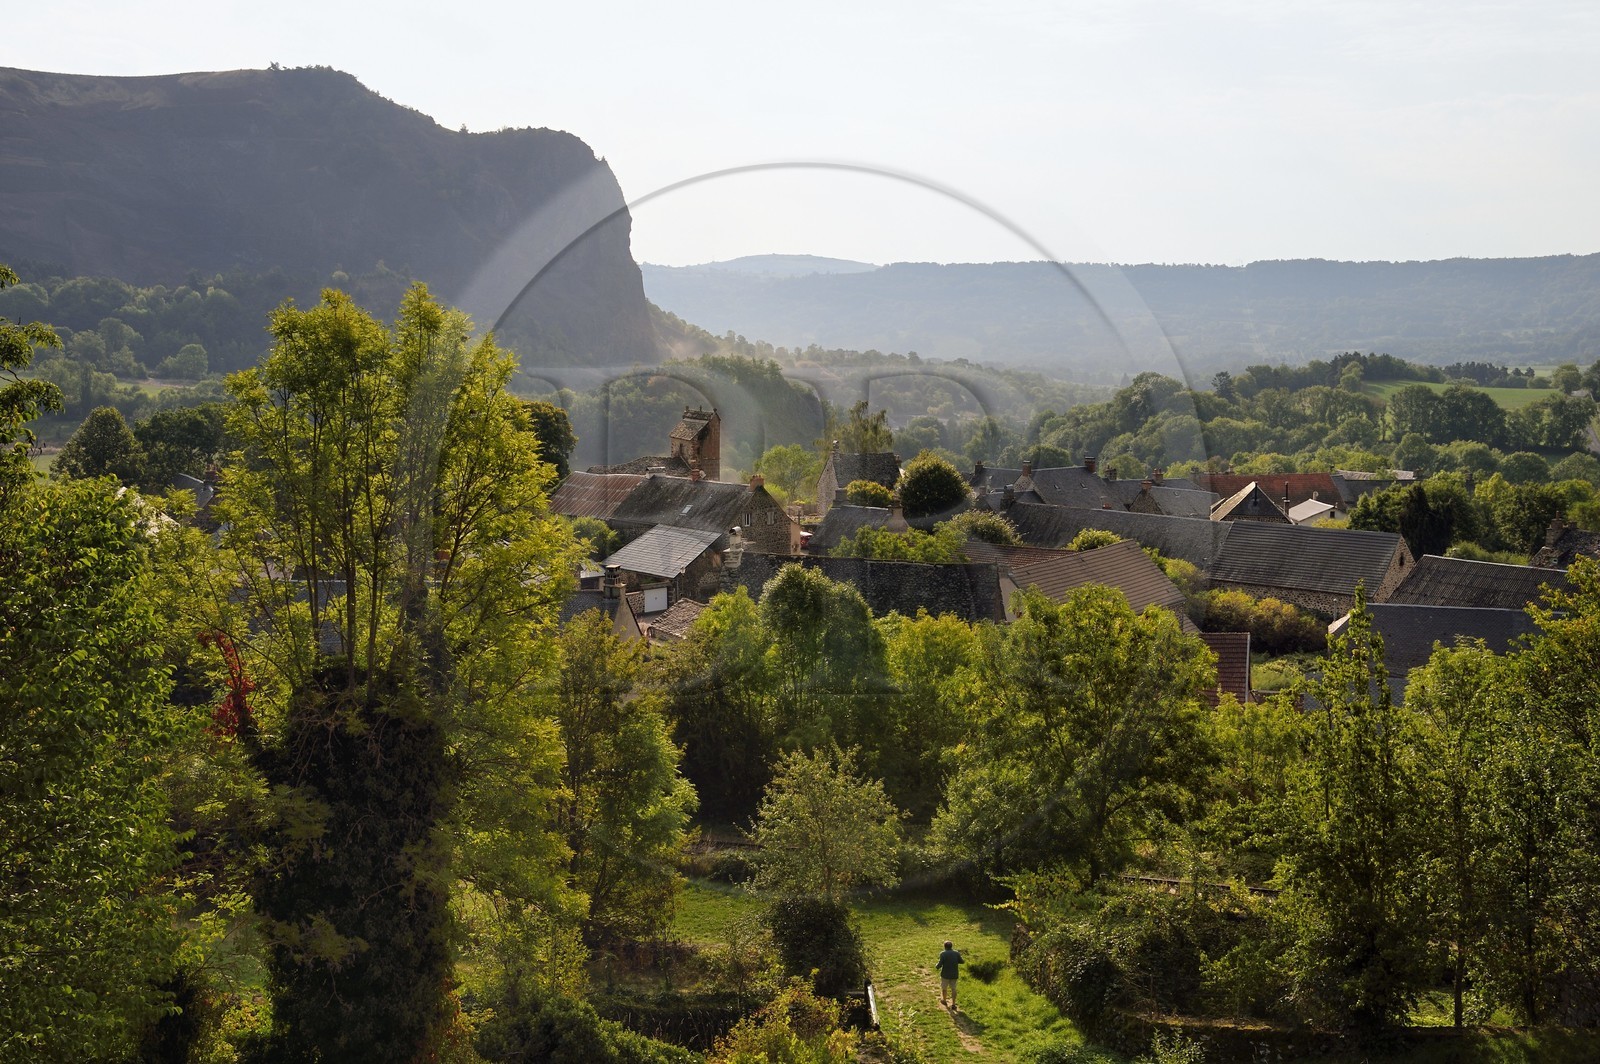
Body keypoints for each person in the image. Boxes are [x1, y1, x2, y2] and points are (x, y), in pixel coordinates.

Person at [937, 940, 964, 1009]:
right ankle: (953, 1004)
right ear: (951, 946)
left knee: (944, 988)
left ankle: (944, 1000)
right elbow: (962, 961)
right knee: (953, 988)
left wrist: (937, 966)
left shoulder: (943, 954)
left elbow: (940, 964)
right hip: (954, 974)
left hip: (945, 974)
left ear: (944, 946)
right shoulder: (956, 953)